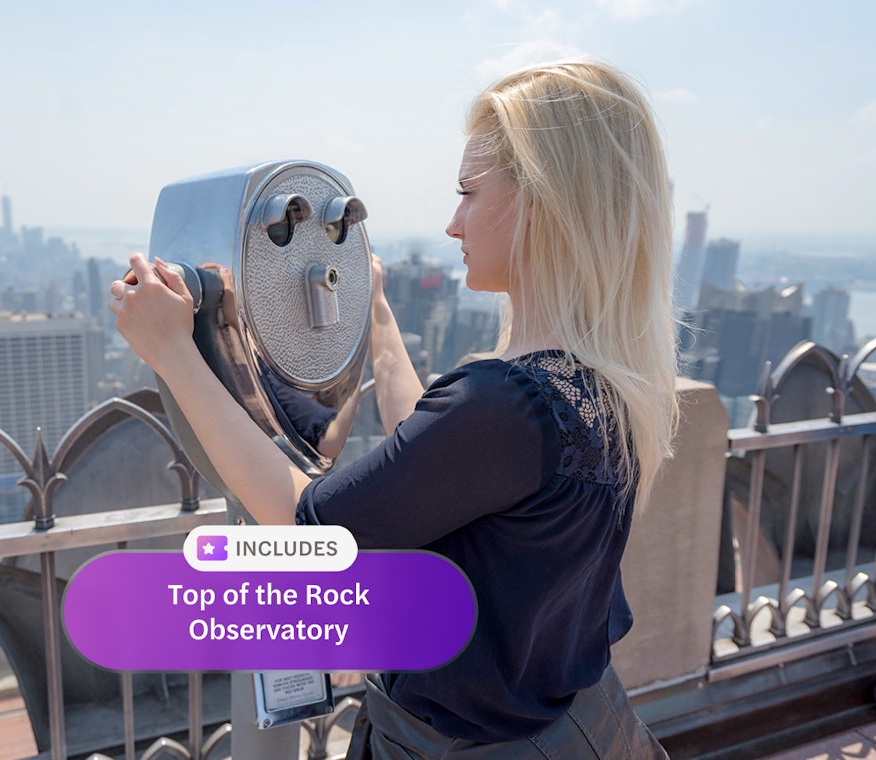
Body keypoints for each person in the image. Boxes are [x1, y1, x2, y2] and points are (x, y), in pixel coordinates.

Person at [110, 59, 676, 758]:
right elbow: (436, 468)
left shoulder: (505, 404)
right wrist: (374, 317)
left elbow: (310, 531)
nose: (452, 222)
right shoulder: (595, 388)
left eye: (469, 193)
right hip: (579, 728)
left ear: (544, 203)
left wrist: (171, 351)